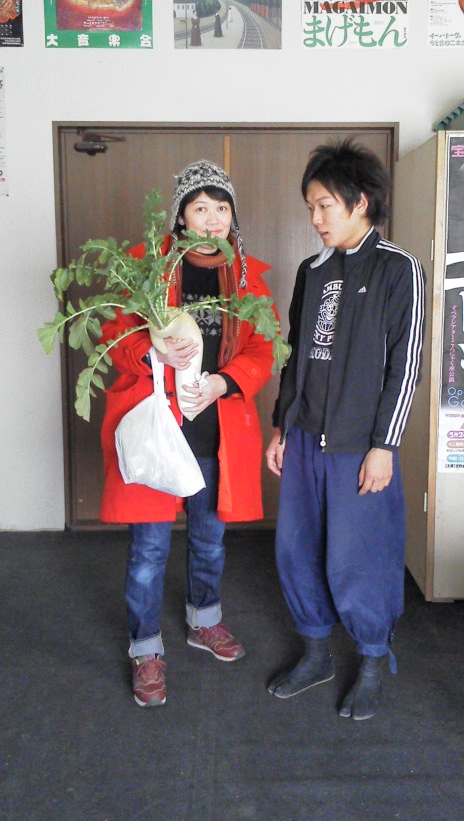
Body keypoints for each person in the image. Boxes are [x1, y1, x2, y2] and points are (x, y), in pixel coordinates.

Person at [100, 161, 275, 707]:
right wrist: (152, 350)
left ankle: (204, 620)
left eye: (222, 208)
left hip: (215, 435)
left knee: (209, 539)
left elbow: (261, 348)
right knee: (149, 550)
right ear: (180, 216)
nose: (213, 218)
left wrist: (225, 382)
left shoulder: (245, 276)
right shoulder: (146, 268)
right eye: (200, 207)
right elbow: (114, 335)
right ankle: (145, 649)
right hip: (161, 430)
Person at [266, 140, 425, 721]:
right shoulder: (312, 271)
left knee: (360, 558)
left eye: (324, 205)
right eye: (310, 207)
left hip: (360, 448)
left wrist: (385, 446)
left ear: (360, 202)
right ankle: (315, 653)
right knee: (297, 549)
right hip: (305, 439)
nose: (315, 218)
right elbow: (295, 357)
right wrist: (281, 425)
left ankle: (372, 658)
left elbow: (405, 365)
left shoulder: (398, 268)